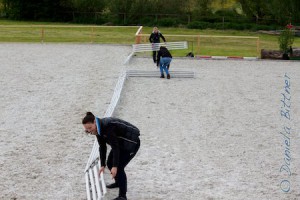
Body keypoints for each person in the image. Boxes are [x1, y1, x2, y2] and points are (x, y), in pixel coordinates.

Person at [82, 112, 140, 200]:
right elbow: (102, 147)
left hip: (131, 143)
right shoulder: (98, 129)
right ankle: (118, 182)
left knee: (119, 168)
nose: (89, 131)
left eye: (90, 128)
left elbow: (115, 147)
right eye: (87, 129)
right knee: (110, 163)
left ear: (94, 122)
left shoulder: (107, 127)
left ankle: (122, 196)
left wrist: (115, 166)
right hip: (120, 144)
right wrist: (102, 165)